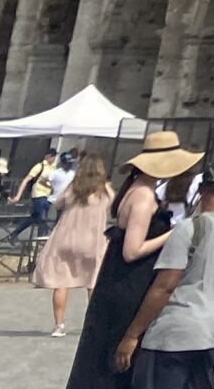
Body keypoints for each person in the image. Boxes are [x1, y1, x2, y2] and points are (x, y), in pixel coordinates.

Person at [67, 131, 195, 389]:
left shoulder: (137, 189)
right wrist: (174, 233)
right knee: (118, 358)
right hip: (130, 282)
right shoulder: (143, 195)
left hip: (118, 280)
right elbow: (132, 250)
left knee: (102, 353)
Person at [115, 156, 214, 389]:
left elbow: (165, 286)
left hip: (175, 334)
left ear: (200, 189)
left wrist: (132, 334)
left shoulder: (188, 228)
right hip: (213, 334)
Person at [35, 153, 117, 339]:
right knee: (93, 283)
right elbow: (113, 205)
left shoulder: (74, 188)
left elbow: (58, 203)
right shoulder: (105, 191)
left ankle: (59, 325)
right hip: (93, 241)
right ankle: (96, 325)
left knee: (61, 282)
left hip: (67, 238)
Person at [9, 143, 59, 242]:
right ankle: (39, 240)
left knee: (34, 217)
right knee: (42, 217)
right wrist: (18, 195)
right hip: (39, 194)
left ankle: (14, 234)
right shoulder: (39, 166)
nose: (53, 158)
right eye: (52, 156)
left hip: (48, 195)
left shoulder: (54, 168)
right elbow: (27, 179)